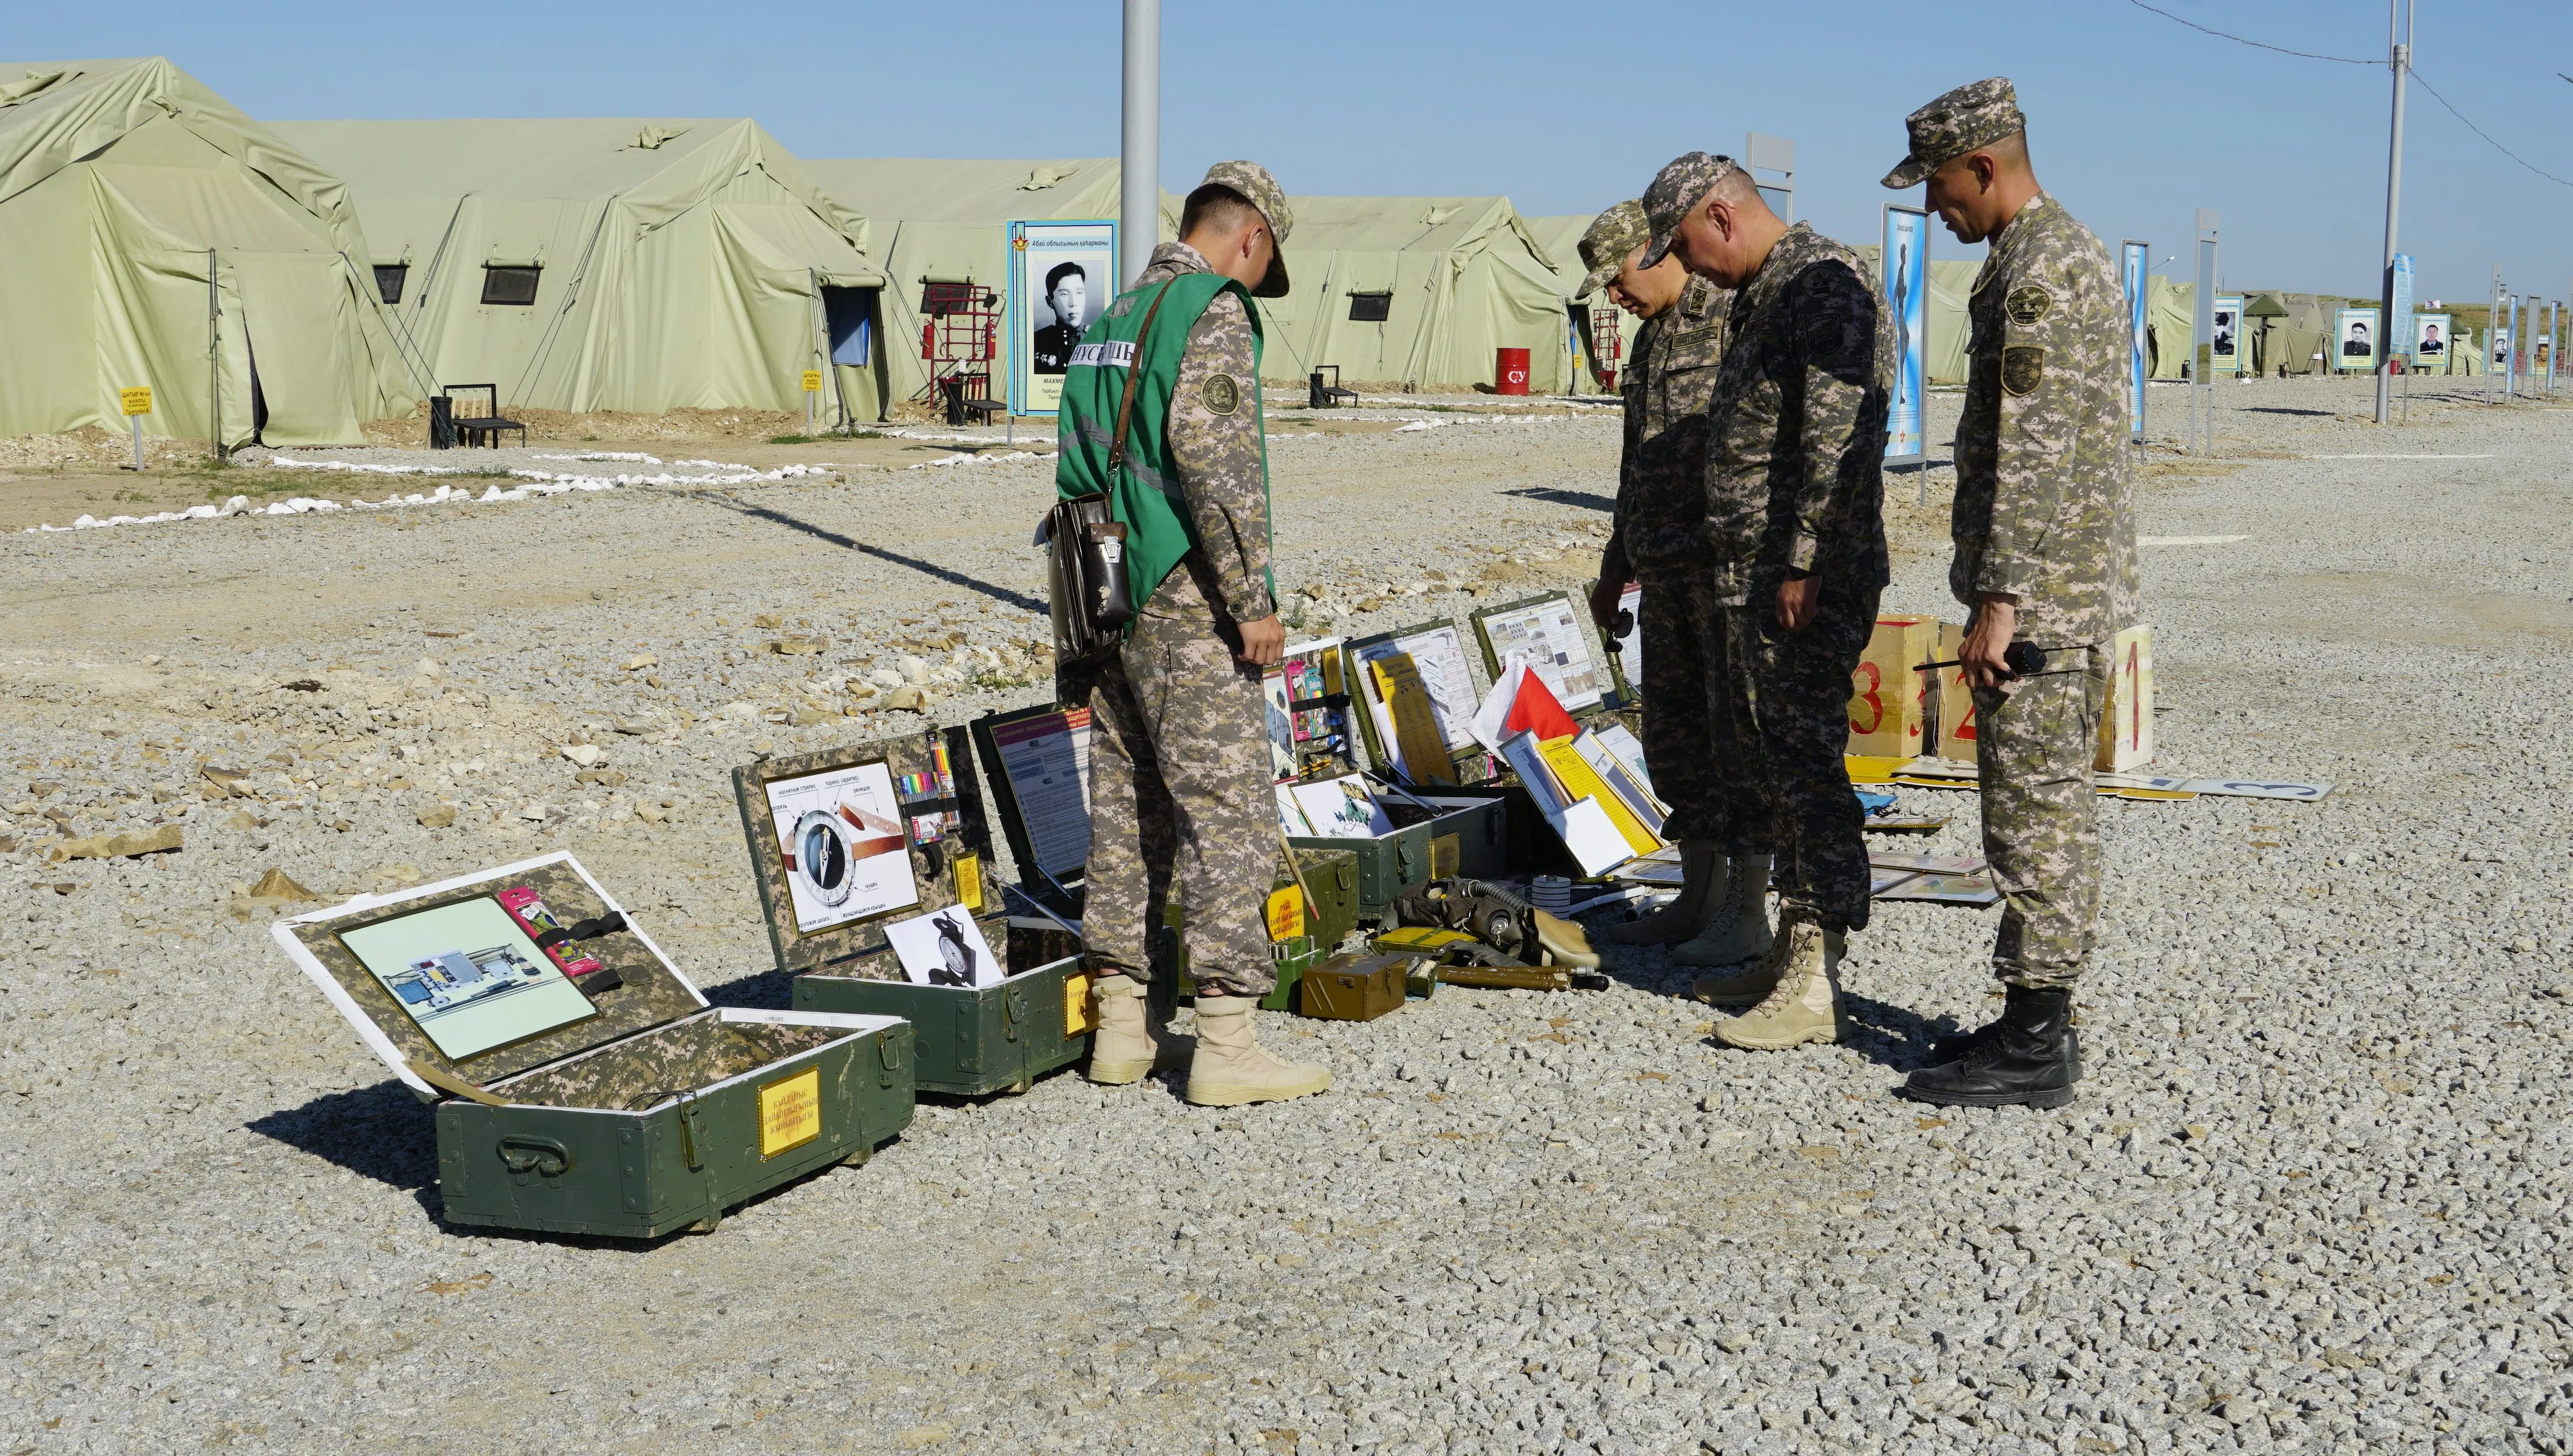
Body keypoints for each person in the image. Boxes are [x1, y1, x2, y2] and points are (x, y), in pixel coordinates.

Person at [1879, 77, 2138, 1108]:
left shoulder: (2038, 269)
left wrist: (2001, 602)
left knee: (2035, 816)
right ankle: (2038, 1017)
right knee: (2041, 805)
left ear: (1985, 166)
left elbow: (2034, 451)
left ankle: (2035, 1043)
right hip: (2061, 590)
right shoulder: (2052, 255)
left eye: (1942, 188)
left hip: (2043, 601)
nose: (1936, 210)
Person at [1053, 161, 1329, 1108]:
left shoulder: (1115, 314)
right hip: (1181, 592)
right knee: (1227, 810)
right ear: (1250, 237)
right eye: (1262, 264)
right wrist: (1250, 599)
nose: (1255, 285)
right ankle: (1225, 1036)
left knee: (1129, 808)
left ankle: (1122, 1026)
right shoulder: (1206, 308)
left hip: (1105, 592)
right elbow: (1215, 466)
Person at [1638, 152, 1890, 1049]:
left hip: (1799, 578)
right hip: (1759, 572)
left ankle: (1817, 982)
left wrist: (1802, 561)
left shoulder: (1819, 283)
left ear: (1722, 213)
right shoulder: (1771, 289)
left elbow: (1837, 436)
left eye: (1686, 243)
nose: (1689, 266)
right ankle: (1793, 955)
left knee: (1805, 768)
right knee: (1775, 763)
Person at [1572, 202, 1768, 966]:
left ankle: (1747, 912)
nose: (1614, 299)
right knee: (1679, 738)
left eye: (1617, 280)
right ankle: (1699, 897)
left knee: (1736, 740)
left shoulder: (1730, 317)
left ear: (1651, 252)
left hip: (1723, 570)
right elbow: (1636, 463)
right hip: (1661, 569)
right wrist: (1614, 561)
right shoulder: (1651, 339)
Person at [1032, 262, 1087, 374]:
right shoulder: (1037, 341)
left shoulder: (1097, 338)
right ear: (1050, 301)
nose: (1073, 303)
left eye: (1079, 293)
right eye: (1064, 295)